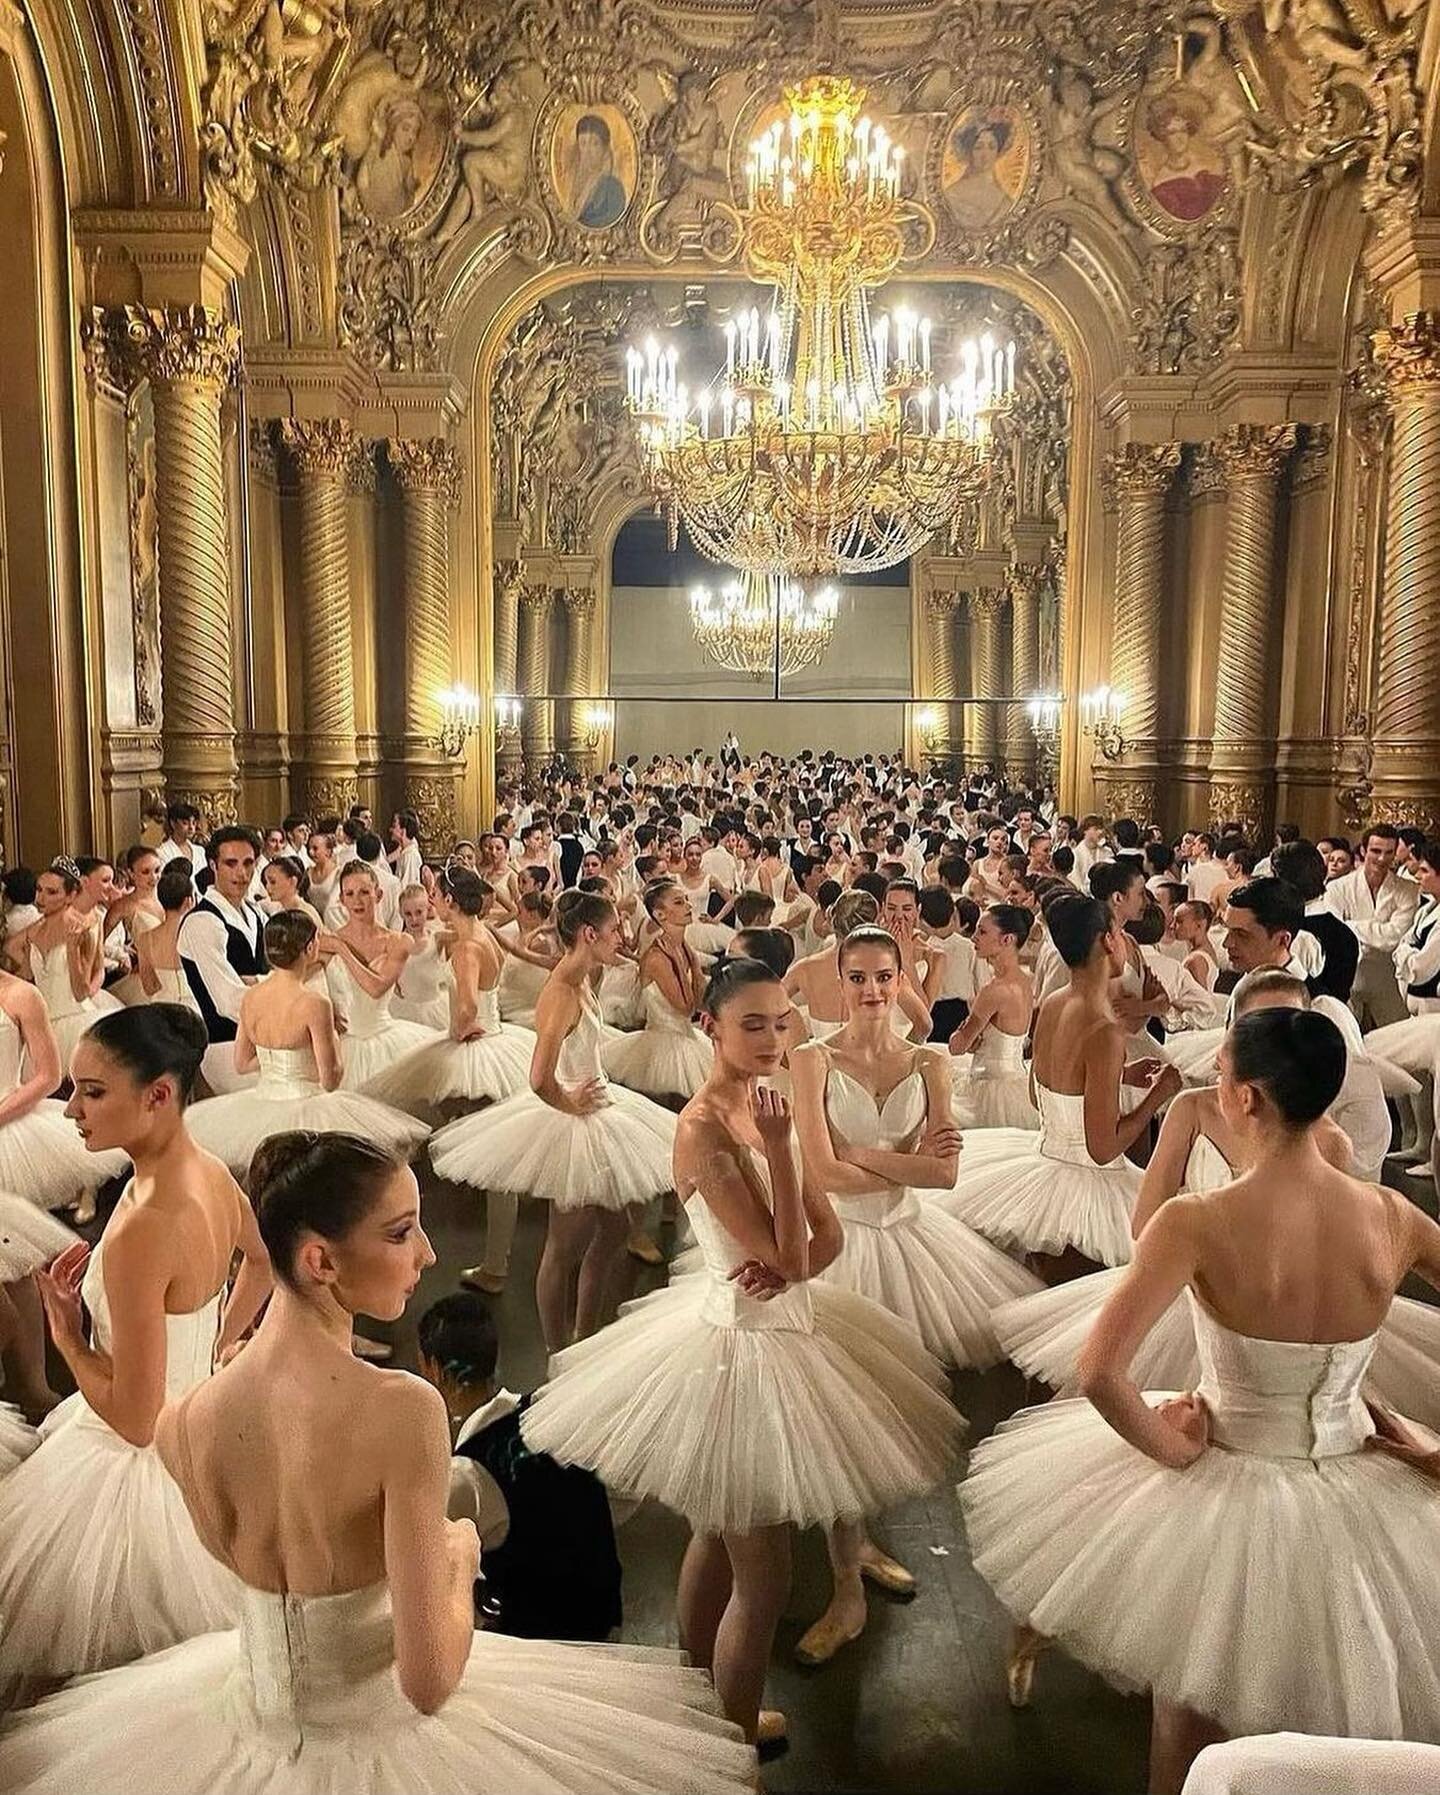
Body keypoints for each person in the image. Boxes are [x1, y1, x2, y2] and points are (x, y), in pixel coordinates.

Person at [0, 1130, 756, 1795]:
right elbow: (426, 1681)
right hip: (377, 1731)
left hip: (248, 1722)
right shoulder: (404, 1411)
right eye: (401, 1232)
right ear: (320, 1259)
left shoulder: (186, 1422)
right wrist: (458, 1558)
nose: (428, 1252)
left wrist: (73, 1344)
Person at [961, 1006, 1440, 1792]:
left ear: (1247, 1098)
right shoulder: (1391, 1216)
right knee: (1334, 1702)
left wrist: (1170, 1444)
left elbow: (1098, 1369)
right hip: (1360, 1483)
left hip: (1230, 1477)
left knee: (1191, 1715)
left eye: (1219, 1073)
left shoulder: (1198, 1219)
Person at [520, 959, 962, 1743]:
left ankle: (702, 1706)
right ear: (710, 1026)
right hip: (739, 1348)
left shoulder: (775, 1099)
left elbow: (820, 1243)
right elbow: (792, 1253)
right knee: (765, 1578)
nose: (771, 1038)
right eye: (752, 1023)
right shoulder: (702, 1125)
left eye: (782, 1021)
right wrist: (787, 1157)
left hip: (789, 1328)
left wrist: (793, 1218)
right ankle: (728, 1745)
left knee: (717, 1540)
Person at [787, 928, 1040, 1663]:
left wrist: (856, 1155)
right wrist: (897, 1163)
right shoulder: (810, 1057)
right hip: (839, 1247)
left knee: (890, 1402)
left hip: (908, 1246)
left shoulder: (929, 1059)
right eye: (858, 977)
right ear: (839, 979)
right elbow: (822, 1176)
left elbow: (946, 1175)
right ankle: (844, 1589)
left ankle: (859, 1539)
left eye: (883, 977)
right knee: (841, 1408)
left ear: (902, 981)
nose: (870, 991)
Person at [0, 1006, 271, 1679]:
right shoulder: (206, 1171)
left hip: (135, 1466)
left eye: (92, 1092)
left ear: (157, 1095)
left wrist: (66, 1335)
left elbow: (136, 1417)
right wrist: (212, 1346)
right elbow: (263, 1260)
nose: (70, 1111)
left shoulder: (142, 1229)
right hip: (200, 1420)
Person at [430, 891, 677, 1349]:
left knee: (617, 1227)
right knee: (563, 1247)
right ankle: (556, 1348)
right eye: (613, 929)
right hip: (572, 1120)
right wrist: (571, 1104)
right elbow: (541, 1078)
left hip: (599, 1103)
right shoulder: (562, 992)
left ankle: (585, 1329)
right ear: (589, 935)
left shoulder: (582, 975)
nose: (620, 935)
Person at [938, 894, 1180, 1273]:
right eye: (1118, 931)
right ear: (1107, 940)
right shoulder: (1105, 1030)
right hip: (1086, 1190)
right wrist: (1159, 1096)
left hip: (1044, 1165)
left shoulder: (1052, 1002)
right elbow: (1102, 1149)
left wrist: (1117, 1077)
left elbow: (1039, 1095)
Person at [418, 1290, 623, 1641]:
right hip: (603, 1616)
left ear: (435, 1369)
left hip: (543, 1637)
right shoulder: (552, 1410)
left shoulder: (467, 1474)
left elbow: (440, 1570)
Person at [185, 911, 429, 1183]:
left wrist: (279, 1064)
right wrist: (333, 1038)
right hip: (308, 1105)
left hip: (263, 1102)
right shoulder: (315, 1004)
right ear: (311, 947)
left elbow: (242, 1063)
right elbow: (330, 1079)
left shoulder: (250, 998)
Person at [324, 862, 440, 1089]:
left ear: (378, 895)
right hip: (348, 1042)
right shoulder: (327, 942)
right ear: (342, 899)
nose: (357, 901)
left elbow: (376, 988)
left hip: (387, 1037)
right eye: (350, 893)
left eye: (364, 892)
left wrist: (342, 950)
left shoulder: (398, 940)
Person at [601, 881, 712, 1103]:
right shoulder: (657, 958)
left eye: (686, 900)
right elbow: (686, 1008)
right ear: (661, 915)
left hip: (687, 1036)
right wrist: (695, 970)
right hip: (664, 1042)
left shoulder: (682, 948)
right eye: (679, 902)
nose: (688, 906)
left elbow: (698, 1004)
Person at [179, 825, 267, 1095]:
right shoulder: (202, 921)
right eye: (231, 863)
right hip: (225, 1048)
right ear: (212, 865)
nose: (241, 873)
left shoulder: (255, 913)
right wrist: (284, 1004)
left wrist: (261, 981)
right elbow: (227, 1000)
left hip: (261, 1041)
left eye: (248, 863)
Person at [948, 902, 1040, 1129]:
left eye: (982, 932)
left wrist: (961, 1033)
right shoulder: (1026, 981)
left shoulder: (994, 991)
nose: (973, 938)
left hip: (990, 1087)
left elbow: (957, 1047)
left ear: (1007, 939)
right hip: (1016, 1081)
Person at [1325, 823, 1419, 1029]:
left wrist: (1351, 926)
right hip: (1349, 977)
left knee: (1398, 1045)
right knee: (1345, 1043)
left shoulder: (1409, 890)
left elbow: (1394, 937)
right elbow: (1335, 935)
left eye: (1389, 852)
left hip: (1388, 980)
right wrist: (1375, 929)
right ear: (1363, 851)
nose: (1382, 858)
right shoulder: (1337, 888)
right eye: (1376, 851)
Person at [154, 801, 207, 873]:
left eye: (193, 823)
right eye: (185, 823)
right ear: (173, 823)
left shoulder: (200, 851)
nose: (191, 827)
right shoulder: (163, 852)